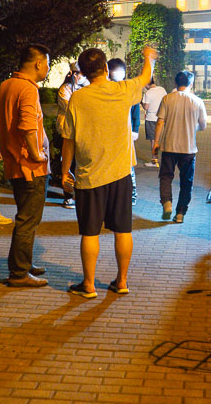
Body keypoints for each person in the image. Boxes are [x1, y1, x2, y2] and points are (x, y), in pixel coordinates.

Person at [60, 46, 158, 299]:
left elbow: (68, 140)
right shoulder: (122, 90)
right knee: (123, 230)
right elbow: (146, 77)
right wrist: (148, 57)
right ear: (105, 68)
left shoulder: (78, 99)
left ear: (82, 72)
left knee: (89, 232)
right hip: (120, 173)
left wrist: (63, 172)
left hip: (89, 175)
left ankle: (89, 285)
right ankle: (122, 281)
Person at [0, 44, 52, 288]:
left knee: (26, 217)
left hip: (14, 165)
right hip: (30, 167)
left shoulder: (6, 85)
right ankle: (19, 272)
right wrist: (36, 154)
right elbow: (27, 126)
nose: (47, 68)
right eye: (46, 62)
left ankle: (25, 263)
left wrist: (7, 147)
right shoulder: (27, 89)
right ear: (37, 63)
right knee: (28, 219)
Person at [152, 70, 207, 223]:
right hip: (188, 149)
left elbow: (160, 122)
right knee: (186, 182)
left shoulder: (167, 99)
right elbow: (203, 126)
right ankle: (180, 213)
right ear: (191, 83)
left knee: (165, 177)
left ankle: (167, 203)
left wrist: (156, 142)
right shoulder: (197, 101)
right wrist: (191, 126)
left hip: (169, 146)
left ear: (176, 83)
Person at [107, 58, 141, 206]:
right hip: (109, 135)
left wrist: (135, 129)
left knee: (127, 166)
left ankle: (131, 194)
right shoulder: (104, 89)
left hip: (125, 134)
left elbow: (135, 111)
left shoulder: (128, 90)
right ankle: (122, 195)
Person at [56, 64, 85, 209]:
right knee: (68, 164)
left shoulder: (85, 88)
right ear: (73, 74)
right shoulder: (65, 89)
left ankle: (78, 194)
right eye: (79, 74)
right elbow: (70, 108)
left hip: (81, 132)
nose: (82, 77)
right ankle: (68, 196)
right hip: (66, 131)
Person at [141, 77, 167, 167]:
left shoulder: (148, 93)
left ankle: (154, 161)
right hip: (162, 117)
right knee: (161, 139)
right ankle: (164, 159)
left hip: (151, 118)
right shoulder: (162, 89)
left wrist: (142, 102)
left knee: (153, 141)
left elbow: (146, 107)